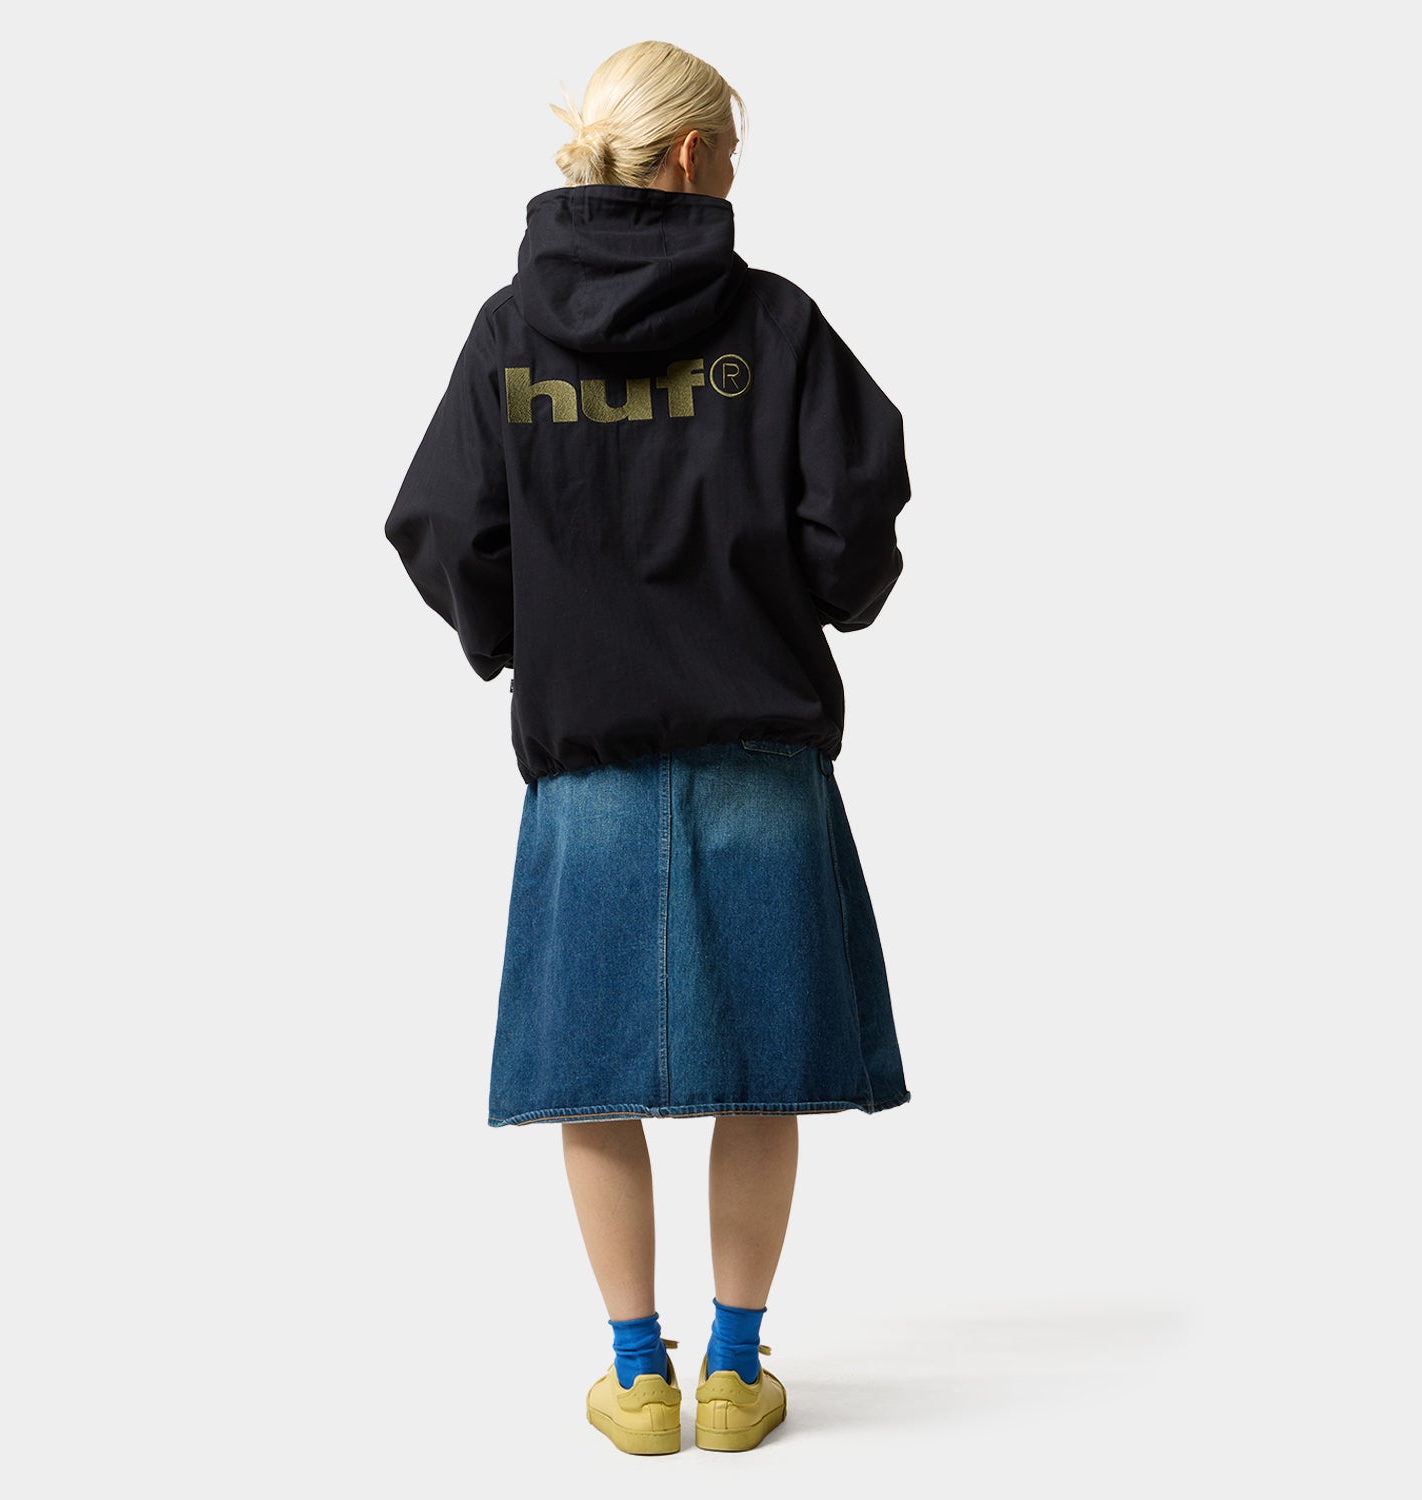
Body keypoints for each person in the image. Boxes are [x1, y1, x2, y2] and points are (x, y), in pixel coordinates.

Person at [384, 39, 912, 1455]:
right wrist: (814, 594)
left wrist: (535, 636)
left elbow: (442, 524)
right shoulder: (775, 323)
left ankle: (636, 1378)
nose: (736, 171)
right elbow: (856, 507)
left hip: (591, 770)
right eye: (731, 147)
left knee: (592, 1081)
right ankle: (734, 1374)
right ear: (690, 156)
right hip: (761, 761)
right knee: (763, 1079)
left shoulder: (511, 332)